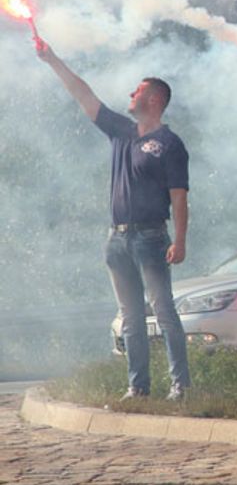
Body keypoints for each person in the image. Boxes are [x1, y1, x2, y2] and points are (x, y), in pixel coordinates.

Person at [36, 40, 191, 401]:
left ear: (154, 100)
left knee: (164, 311)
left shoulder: (170, 144)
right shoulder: (121, 131)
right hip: (117, 238)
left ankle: (180, 386)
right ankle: (138, 387)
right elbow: (84, 95)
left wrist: (179, 240)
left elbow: (179, 196)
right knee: (131, 317)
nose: (130, 94)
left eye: (137, 90)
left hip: (152, 237)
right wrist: (51, 58)